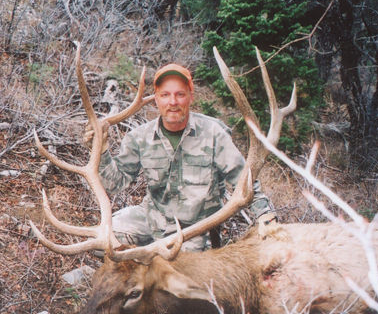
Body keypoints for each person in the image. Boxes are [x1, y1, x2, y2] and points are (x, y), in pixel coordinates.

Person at [84, 63, 274, 251]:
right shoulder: (140, 137)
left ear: (190, 97)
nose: (172, 102)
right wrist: (101, 149)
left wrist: (265, 216)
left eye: (180, 94)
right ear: (156, 99)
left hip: (196, 229)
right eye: (165, 95)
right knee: (102, 240)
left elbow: (245, 180)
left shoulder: (214, 133)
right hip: (152, 219)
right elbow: (114, 184)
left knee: (178, 269)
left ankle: (144, 263)